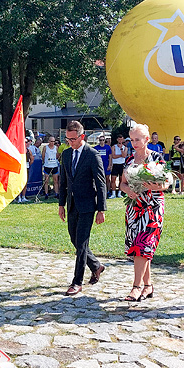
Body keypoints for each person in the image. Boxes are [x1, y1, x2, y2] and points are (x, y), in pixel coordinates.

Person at [57, 121, 107, 296]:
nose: (70, 142)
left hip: (87, 205)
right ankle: (96, 265)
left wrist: (101, 209)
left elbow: (101, 184)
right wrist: (61, 204)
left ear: (82, 136)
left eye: (73, 139)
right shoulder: (66, 154)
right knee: (75, 239)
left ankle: (77, 282)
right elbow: (63, 181)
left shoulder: (92, 155)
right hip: (71, 204)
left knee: (82, 243)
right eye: (67, 139)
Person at [120, 123, 167, 302]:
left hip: (152, 206)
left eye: (137, 139)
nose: (134, 143)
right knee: (138, 248)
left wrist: (153, 185)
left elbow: (166, 184)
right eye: (132, 140)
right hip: (134, 206)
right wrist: (127, 191)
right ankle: (148, 286)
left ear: (147, 139)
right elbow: (122, 183)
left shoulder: (156, 158)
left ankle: (136, 287)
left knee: (144, 245)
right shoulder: (129, 160)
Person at [110, 134, 129, 198]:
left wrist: (121, 149)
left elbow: (124, 155)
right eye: (119, 139)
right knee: (113, 179)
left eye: (122, 139)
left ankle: (119, 193)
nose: (120, 140)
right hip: (115, 165)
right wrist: (120, 155)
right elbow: (113, 156)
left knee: (121, 179)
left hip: (121, 164)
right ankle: (113, 193)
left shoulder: (125, 148)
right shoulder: (114, 147)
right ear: (117, 139)